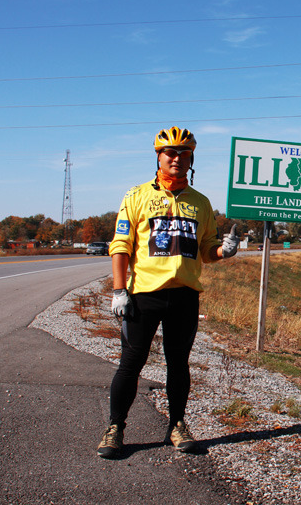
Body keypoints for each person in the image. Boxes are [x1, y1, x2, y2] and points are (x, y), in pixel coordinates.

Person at [97, 126, 239, 458]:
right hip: (144, 296)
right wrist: (119, 290)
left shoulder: (201, 203)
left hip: (185, 296)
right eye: (170, 153)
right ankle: (115, 427)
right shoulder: (137, 196)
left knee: (179, 365)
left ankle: (177, 425)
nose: (176, 159)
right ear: (159, 157)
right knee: (131, 364)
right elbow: (120, 246)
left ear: (191, 159)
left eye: (184, 153)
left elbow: (206, 250)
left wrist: (225, 251)